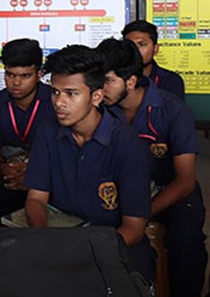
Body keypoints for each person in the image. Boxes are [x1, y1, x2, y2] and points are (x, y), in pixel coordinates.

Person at [24, 45, 154, 281]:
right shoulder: (47, 131)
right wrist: (45, 240)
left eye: (71, 93)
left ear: (96, 96)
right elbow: (35, 199)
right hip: (59, 239)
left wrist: (85, 253)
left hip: (112, 245)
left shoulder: (127, 145)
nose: (59, 103)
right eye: (54, 92)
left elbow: (134, 227)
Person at [96, 38, 207, 296]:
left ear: (131, 81)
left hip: (170, 191)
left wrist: (142, 212)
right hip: (118, 189)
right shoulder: (98, 109)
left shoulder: (172, 110)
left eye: (108, 81)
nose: (99, 89)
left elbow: (185, 180)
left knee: (186, 241)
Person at [0, 39, 56, 223]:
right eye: (10, 74)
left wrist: (33, 174)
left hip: (49, 175)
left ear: (39, 74)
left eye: (25, 76)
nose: (16, 82)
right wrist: (4, 168)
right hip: (6, 177)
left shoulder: (55, 102)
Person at [122, 19, 185, 100]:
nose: (135, 50)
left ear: (155, 49)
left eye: (142, 44)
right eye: (130, 45)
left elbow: (177, 111)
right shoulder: (116, 80)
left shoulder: (171, 81)